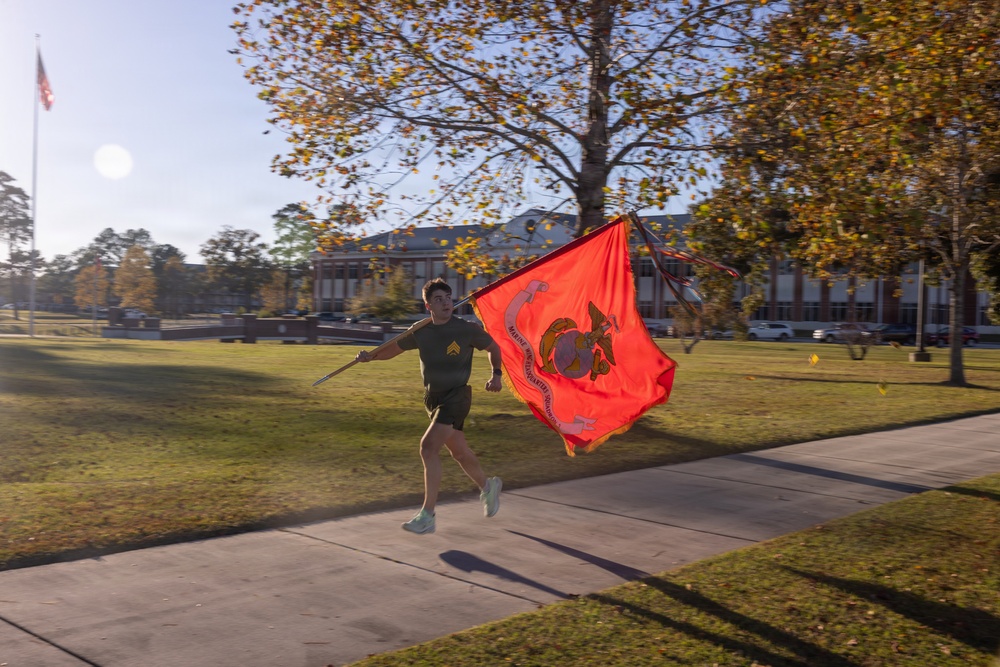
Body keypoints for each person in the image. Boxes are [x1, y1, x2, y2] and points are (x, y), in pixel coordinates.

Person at [355, 278, 503, 534]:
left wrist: (496, 374)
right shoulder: (421, 330)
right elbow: (394, 349)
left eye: (448, 297)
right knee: (459, 453)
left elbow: (493, 347)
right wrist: (371, 357)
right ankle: (488, 488)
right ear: (428, 306)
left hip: (457, 396)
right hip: (432, 399)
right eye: (438, 299)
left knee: (427, 448)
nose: (446, 302)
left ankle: (428, 515)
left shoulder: (465, 329)